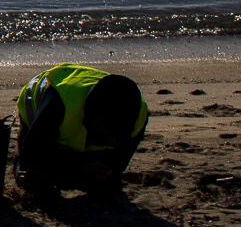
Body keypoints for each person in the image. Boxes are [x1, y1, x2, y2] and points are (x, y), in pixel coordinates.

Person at [14, 62, 149, 195]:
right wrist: (79, 165)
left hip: (78, 123)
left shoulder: (138, 117)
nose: (114, 141)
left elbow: (116, 166)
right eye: (111, 131)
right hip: (37, 111)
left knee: (106, 185)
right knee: (36, 179)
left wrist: (104, 171)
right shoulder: (61, 104)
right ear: (91, 115)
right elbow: (32, 150)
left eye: (121, 132)